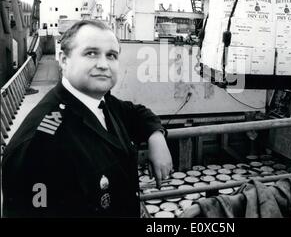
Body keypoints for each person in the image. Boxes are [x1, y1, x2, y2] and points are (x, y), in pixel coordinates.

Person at [2, 20, 173, 217]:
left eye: (111, 55)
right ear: (64, 60)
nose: (103, 64)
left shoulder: (103, 103)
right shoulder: (38, 145)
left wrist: (156, 137)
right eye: (91, 53)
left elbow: (138, 113)